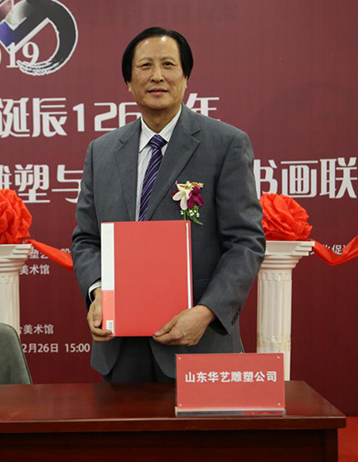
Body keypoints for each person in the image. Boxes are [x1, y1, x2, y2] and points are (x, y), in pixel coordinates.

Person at [72, 27, 266, 383]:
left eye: (168, 65)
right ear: (128, 82)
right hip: (120, 349)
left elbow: (245, 243)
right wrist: (99, 293)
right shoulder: (102, 151)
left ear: (186, 77)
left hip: (198, 344)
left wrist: (206, 312)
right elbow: (85, 239)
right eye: (145, 66)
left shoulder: (226, 144)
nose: (157, 76)